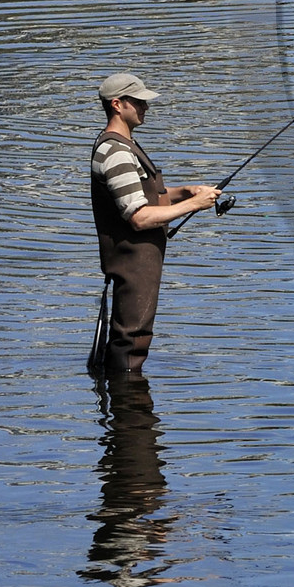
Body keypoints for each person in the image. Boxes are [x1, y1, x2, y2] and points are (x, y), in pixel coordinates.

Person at [89, 73, 219, 382]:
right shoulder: (117, 152)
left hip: (138, 262)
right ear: (117, 105)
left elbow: (138, 195)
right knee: (131, 341)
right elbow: (139, 217)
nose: (146, 106)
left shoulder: (124, 145)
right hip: (132, 264)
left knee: (133, 338)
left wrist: (183, 191)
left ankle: (123, 408)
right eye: (139, 101)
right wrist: (193, 206)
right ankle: (128, 411)